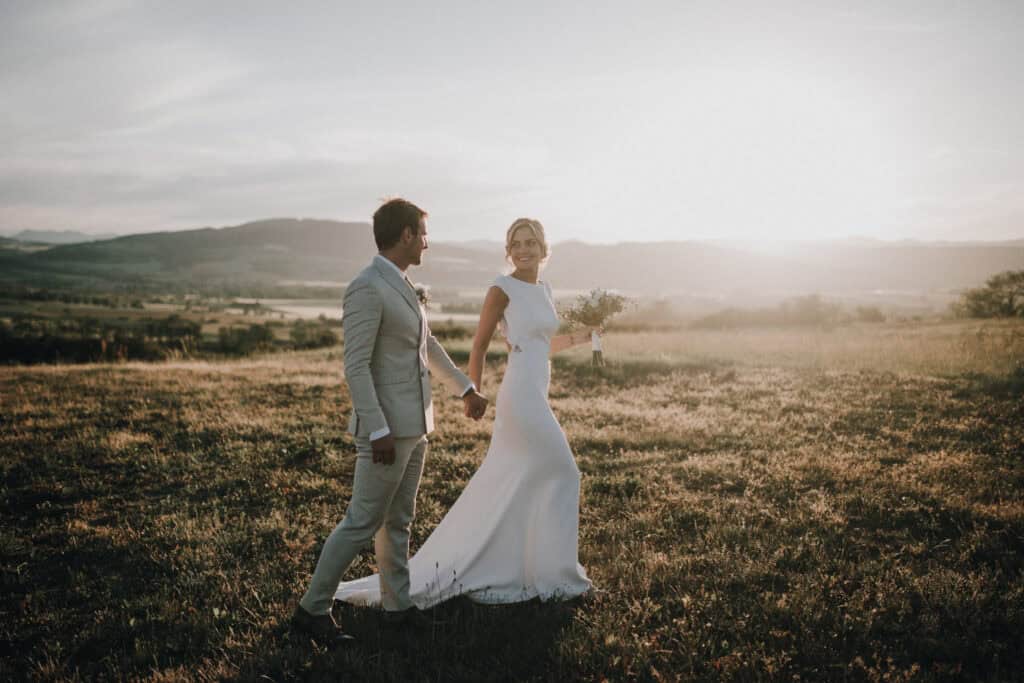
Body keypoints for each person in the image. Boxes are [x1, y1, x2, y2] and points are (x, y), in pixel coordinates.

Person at [332, 217, 594, 610]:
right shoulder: (500, 288)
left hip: (538, 389)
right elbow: (480, 346)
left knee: (528, 477)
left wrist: (583, 337)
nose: (523, 250)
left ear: (544, 248)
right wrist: (473, 390)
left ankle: (532, 566)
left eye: (530, 243)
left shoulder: (545, 289)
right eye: (516, 244)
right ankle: (558, 576)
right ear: (508, 250)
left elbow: (540, 345)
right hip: (520, 396)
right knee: (564, 470)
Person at [292, 198, 489, 644]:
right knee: (361, 521)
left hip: (415, 426)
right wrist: (377, 429)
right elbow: (356, 366)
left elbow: (428, 348)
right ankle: (311, 611)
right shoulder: (367, 286)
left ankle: (397, 607)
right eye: (422, 233)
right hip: (386, 432)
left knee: (398, 520)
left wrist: (464, 389)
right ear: (404, 235)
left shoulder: (402, 284)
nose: (426, 242)